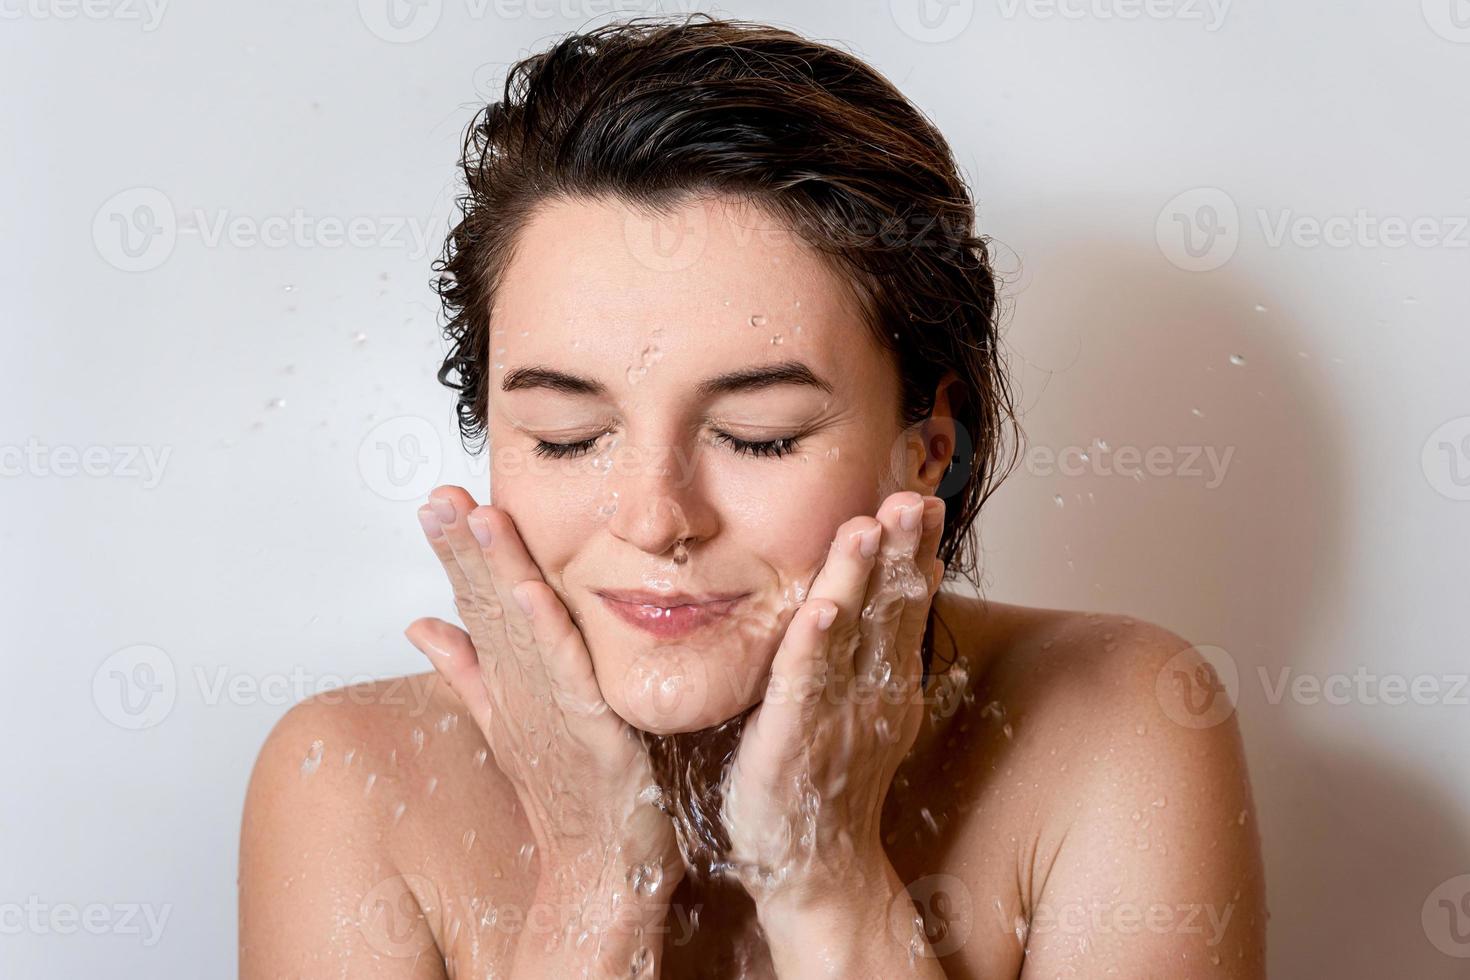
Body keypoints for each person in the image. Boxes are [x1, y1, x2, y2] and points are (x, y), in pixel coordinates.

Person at [239, 15, 1265, 978]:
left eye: (755, 437)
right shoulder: (350, 781)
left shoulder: (1111, 722)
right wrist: (594, 887)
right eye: (569, 436)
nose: (653, 517)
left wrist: (830, 883)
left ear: (926, 451)